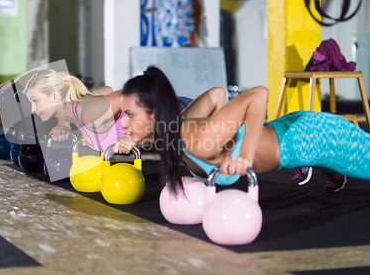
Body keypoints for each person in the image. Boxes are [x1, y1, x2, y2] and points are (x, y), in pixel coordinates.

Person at [114, 66, 370, 195]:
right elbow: (216, 94)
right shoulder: (177, 127)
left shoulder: (199, 141)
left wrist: (244, 155)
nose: (122, 123)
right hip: (293, 131)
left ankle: (337, 164)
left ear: (156, 114)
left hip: (313, 138)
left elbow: (258, 94)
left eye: (129, 115)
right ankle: (334, 170)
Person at [22, 68, 196, 153]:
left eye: (35, 101)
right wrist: (64, 123)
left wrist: (131, 136)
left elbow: (131, 95)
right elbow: (106, 90)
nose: (33, 108)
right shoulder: (78, 110)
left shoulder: (89, 113)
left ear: (55, 96)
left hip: (183, 115)